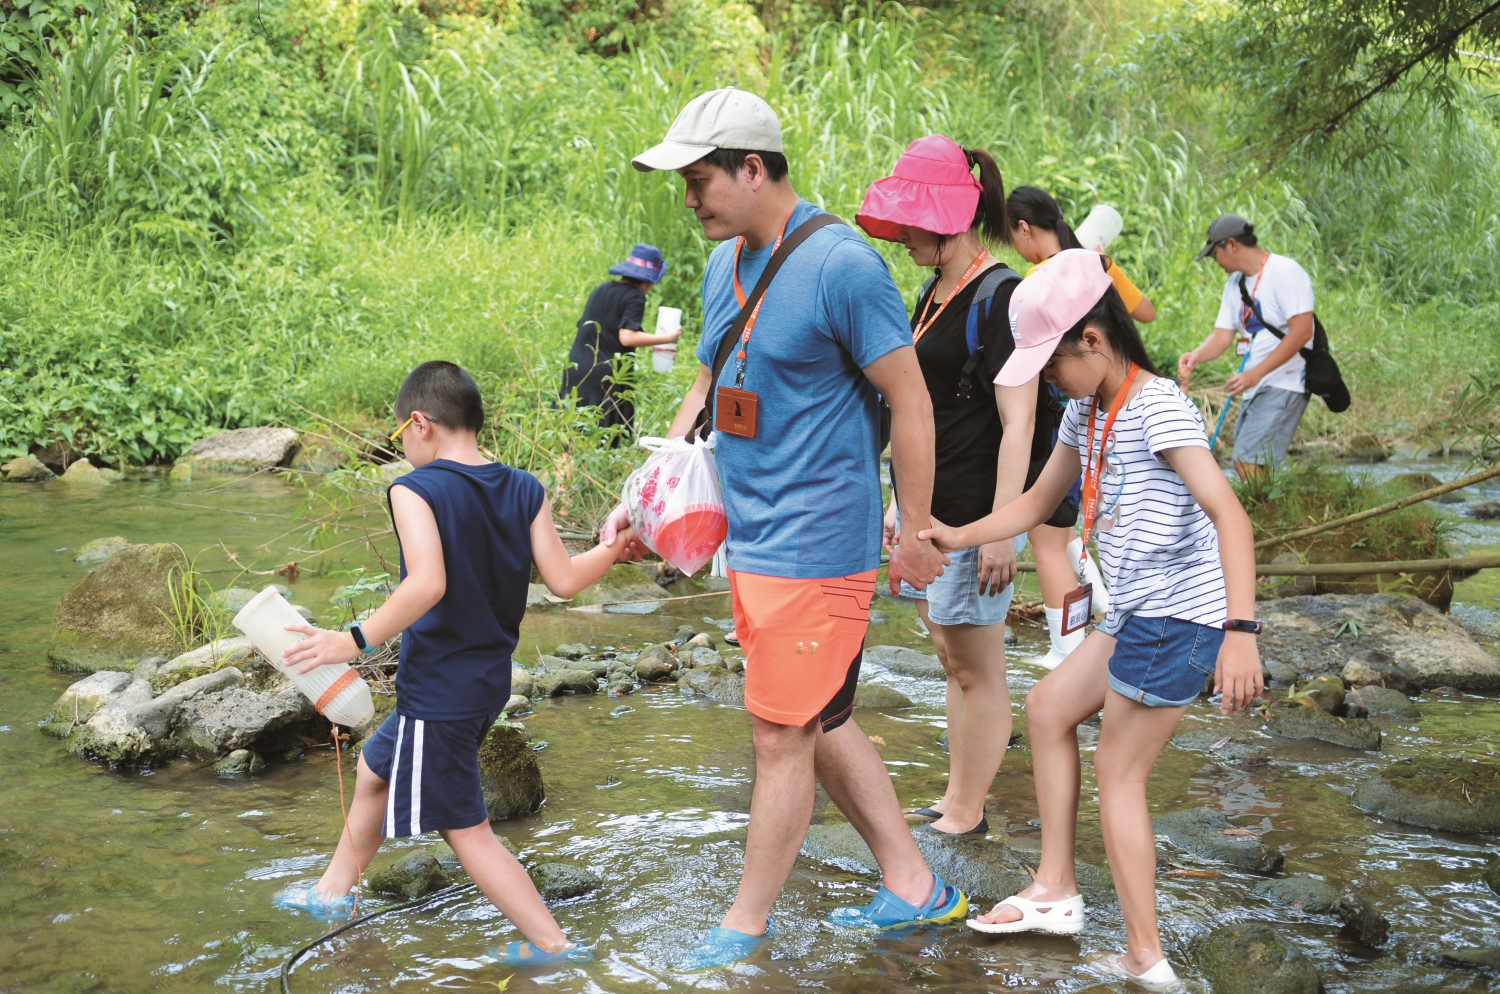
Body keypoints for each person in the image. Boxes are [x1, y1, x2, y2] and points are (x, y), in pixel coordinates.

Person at [614, 86, 959, 969]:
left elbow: (910, 401)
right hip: (750, 539)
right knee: (822, 717)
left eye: (699, 181)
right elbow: (704, 389)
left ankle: (744, 925)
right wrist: (650, 490)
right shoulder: (721, 263)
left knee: (778, 736)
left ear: (754, 168)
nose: (689, 200)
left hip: (819, 543)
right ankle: (915, 883)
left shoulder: (843, 267)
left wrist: (915, 527)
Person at [921, 250, 1263, 990]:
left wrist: (1241, 634)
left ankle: (1147, 958)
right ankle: (1056, 891)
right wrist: (961, 533)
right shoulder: (1085, 409)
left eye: (1051, 365)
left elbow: (1230, 516)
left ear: (1094, 341)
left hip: (1180, 615)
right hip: (1137, 609)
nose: (1048, 381)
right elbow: (1040, 503)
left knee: (1119, 770)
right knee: (1046, 709)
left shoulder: (1158, 406)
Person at [272, 360, 636, 968]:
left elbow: (427, 585)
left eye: (399, 436)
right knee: (375, 770)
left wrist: (349, 641)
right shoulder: (524, 487)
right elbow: (565, 580)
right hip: (486, 682)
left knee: (464, 828)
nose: (403, 448)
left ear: (420, 423)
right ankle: (333, 894)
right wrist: (616, 544)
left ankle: (555, 948)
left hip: (438, 691)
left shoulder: (414, 489)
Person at [854, 134, 1055, 837]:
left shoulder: (1002, 298)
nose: (903, 234)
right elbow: (919, 407)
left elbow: (1019, 420)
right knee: (949, 653)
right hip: (931, 509)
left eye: (913, 220)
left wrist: (1007, 527)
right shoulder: (933, 293)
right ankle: (955, 793)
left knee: (976, 663)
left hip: (975, 511)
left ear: (950, 218)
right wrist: (897, 505)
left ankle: (969, 810)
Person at [1008, 184, 1151, 669]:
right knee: (1067, 529)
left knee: (1049, 537)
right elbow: (1145, 312)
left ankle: (1066, 648)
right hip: (1088, 408)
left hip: (1058, 416)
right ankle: (1104, 607)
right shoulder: (1095, 263)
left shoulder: (1038, 282)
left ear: (1025, 229)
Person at [1178, 214, 1315, 479]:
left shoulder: (1286, 272)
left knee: (1247, 460)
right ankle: (1267, 514)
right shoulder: (1235, 284)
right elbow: (1222, 336)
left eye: (1214, 253)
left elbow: (1301, 333)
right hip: (1258, 382)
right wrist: (1197, 355)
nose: (1215, 262)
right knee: (1248, 460)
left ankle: (1262, 516)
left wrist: (1256, 374)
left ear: (1232, 245)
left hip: (1286, 381)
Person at [559, 244, 679, 434]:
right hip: (606, 375)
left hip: (575, 367)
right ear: (649, 281)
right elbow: (627, 337)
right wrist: (666, 338)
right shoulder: (635, 297)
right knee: (604, 436)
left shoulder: (602, 288)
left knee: (570, 432)